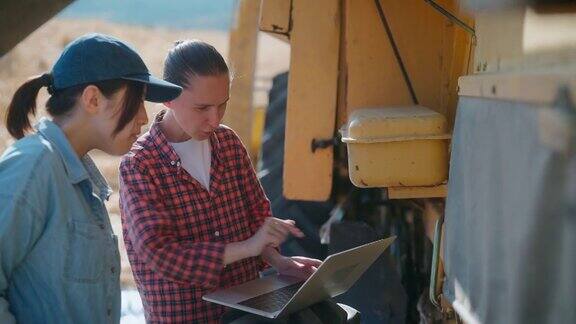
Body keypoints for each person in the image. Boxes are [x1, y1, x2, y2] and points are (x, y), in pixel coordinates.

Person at [119, 40, 322, 323]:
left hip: (247, 311)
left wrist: (280, 262)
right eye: (202, 108)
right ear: (168, 97)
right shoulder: (139, 164)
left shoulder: (227, 142)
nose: (214, 120)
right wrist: (249, 247)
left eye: (222, 105)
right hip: (189, 317)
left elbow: (256, 217)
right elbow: (160, 253)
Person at [0, 33, 182, 324]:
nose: (144, 117)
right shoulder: (33, 167)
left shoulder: (77, 176)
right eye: (136, 100)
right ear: (93, 99)